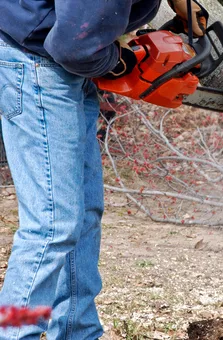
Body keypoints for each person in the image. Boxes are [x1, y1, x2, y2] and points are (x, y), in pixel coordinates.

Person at [0, 0, 207, 338]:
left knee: (82, 214)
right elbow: (73, 47)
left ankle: (77, 331)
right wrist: (118, 62)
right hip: (38, 63)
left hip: (64, 64)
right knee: (52, 225)